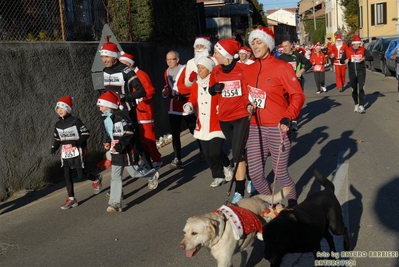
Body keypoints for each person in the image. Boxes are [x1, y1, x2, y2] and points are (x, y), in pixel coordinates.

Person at [243, 27, 306, 207]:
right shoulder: (248, 70)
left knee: (280, 173)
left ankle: (293, 206)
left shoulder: (282, 67)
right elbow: (244, 97)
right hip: (255, 128)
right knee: (254, 173)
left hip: (278, 127)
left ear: (268, 45)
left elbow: (298, 95)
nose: (255, 46)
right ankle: (274, 206)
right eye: (253, 42)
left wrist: (288, 116)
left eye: (259, 42)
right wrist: (247, 105)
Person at [97, 90, 159, 212]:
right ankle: (115, 203)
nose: (100, 109)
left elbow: (128, 133)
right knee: (115, 177)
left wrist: (119, 146)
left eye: (102, 106)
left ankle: (151, 175)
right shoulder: (106, 118)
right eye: (99, 106)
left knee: (134, 173)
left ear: (110, 106)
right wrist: (107, 142)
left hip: (126, 151)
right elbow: (109, 133)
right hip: (116, 152)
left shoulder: (120, 117)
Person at [99, 41, 155, 175]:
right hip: (112, 112)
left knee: (134, 143)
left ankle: (149, 170)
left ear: (114, 56)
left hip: (126, 111)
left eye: (106, 57)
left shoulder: (126, 71)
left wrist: (123, 97)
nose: (104, 60)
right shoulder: (105, 71)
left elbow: (141, 91)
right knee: (115, 142)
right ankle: (118, 184)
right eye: (102, 57)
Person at [208, 38, 251, 203]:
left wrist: (248, 104)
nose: (214, 55)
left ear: (225, 54)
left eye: (217, 52)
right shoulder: (216, 71)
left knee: (237, 152)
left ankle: (239, 191)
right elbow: (211, 91)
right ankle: (251, 174)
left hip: (240, 116)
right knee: (240, 151)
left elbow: (250, 90)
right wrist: (215, 88)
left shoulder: (243, 69)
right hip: (224, 119)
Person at [183, 56, 234, 187]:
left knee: (215, 151)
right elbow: (193, 98)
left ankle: (228, 165)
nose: (199, 70)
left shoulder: (216, 83)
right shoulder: (196, 85)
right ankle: (218, 175)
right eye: (198, 67)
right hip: (202, 124)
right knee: (207, 154)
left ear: (210, 70)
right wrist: (189, 105)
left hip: (216, 122)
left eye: (203, 68)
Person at [51, 96, 102, 210]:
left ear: (68, 109)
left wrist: (77, 142)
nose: (60, 110)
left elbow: (85, 133)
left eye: (62, 108)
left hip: (77, 151)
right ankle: (71, 199)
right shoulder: (58, 125)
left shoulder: (75, 121)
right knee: (67, 175)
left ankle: (95, 179)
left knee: (81, 175)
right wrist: (54, 147)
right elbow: (57, 138)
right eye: (58, 108)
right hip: (65, 153)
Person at [119, 52, 163, 168]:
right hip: (134, 112)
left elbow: (151, 91)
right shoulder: (128, 76)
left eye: (123, 64)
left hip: (144, 111)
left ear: (129, 64)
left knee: (149, 139)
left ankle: (157, 159)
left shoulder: (141, 75)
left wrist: (140, 98)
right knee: (140, 140)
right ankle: (147, 158)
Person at [162, 50, 197, 169]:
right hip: (173, 106)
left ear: (177, 59)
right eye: (167, 59)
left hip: (186, 104)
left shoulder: (186, 69)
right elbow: (168, 86)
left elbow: (192, 85)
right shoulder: (166, 72)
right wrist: (166, 91)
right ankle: (178, 158)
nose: (169, 61)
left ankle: (203, 150)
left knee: (194, 130)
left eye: (172, 59)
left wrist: (182, 93)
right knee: (175, 133)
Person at [183, 37, 215, 162]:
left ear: (207, 48)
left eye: (202, 46)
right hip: (198, 96)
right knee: (200, 122)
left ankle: (215, 147)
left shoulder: (213, 60)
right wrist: (191, 79)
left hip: (211, 95)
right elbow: (187, 83)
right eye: (197, 47)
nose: (200, 49)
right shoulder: (191, 62)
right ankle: (203, 148)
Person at [278, 39, 311, 131]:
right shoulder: (280, 58)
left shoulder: (298, 56)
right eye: (283, 46)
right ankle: (287, 119)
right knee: (286, 102)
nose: (284, 48)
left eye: (286, 46)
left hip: (297, 82)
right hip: (285, 84)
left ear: (291, 46)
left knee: (295, 102)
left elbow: (309, 64)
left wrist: (301, 71)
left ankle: (294, 121)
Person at [340, 35, 373, 113]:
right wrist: (345, 61)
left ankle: (361, 105)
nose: (358, 45)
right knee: (354, 90)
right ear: (353, 44)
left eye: (359, 44)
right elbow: (341, 61)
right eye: (357, 44)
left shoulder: (363, 50)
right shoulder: (347, 51)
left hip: (361, 72)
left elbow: (371, 58)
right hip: (352, 73)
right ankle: (356, 104)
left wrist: (364, 58)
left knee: (361, 88)